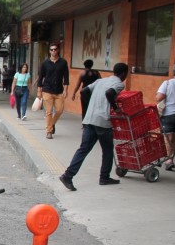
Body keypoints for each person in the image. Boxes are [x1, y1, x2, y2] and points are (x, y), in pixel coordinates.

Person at [58, 63, 128, 191]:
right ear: (123, 74)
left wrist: (91, 106)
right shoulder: (119, 84)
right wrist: (116, 108)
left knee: (83, 149)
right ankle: (104, 177)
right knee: (107, 150)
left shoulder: (100, 81)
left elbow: (84, 91)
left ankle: (68, 175)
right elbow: (109, 93)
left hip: (89, 118)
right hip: (102, 121)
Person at [37, 43, 70, 139]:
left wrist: (66, 89)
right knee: (49, 112)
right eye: (51, 50)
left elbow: (66, 77)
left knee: (59, 110)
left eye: (55, 49)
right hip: (47, 89)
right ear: (49, 51)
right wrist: (39, 90)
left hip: (59, 90)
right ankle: (49, 131)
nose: (53, 51)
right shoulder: (45, 63)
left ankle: (51, 124)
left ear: (58, 50)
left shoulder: (63, 62)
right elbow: (40, 77)